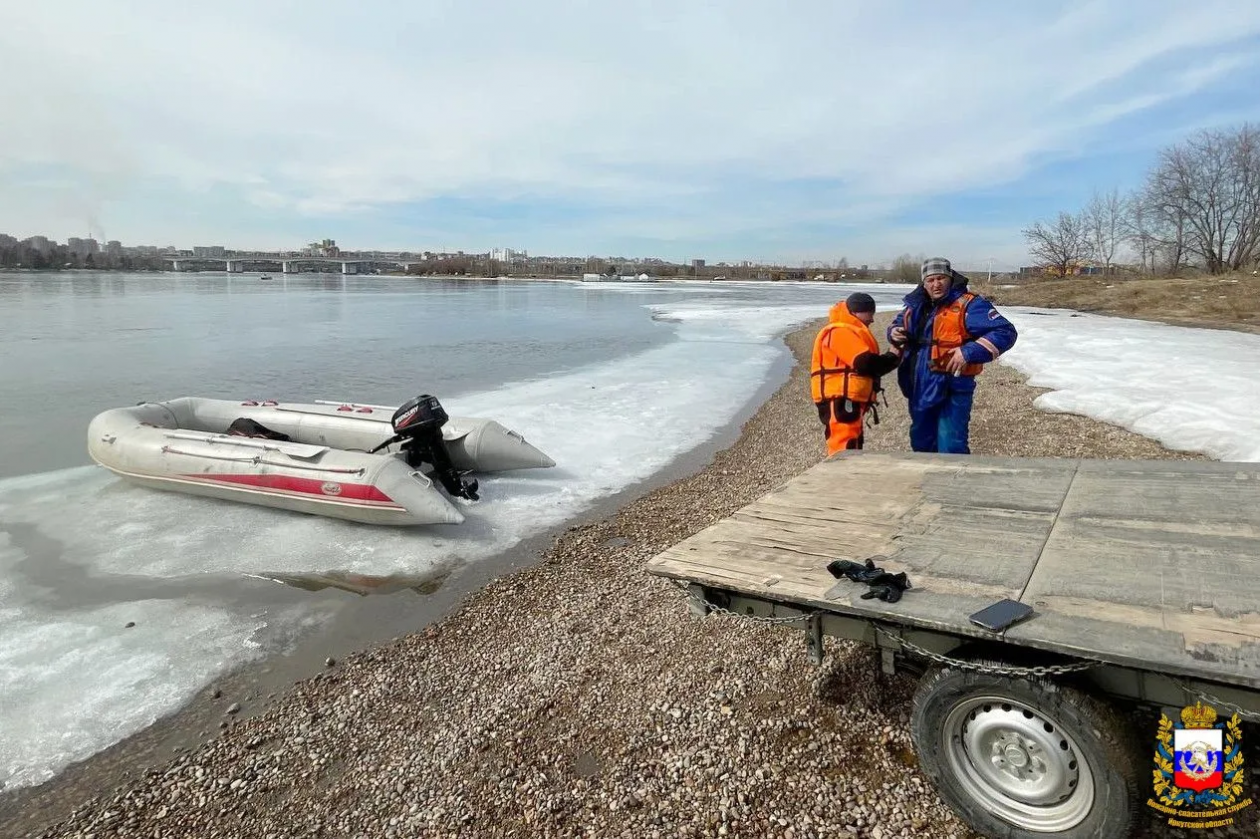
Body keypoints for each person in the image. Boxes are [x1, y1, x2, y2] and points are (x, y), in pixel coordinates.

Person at [887, 257, 1017, 454]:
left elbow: (1005, 332)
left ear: (950, 278)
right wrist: (894, 332)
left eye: (941, 278)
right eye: (930, 280)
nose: (936, 284)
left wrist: (968, 352)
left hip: (952, 385)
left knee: (951, 445)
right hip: (919, 385)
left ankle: (954, 484)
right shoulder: (915, 305)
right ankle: (927, 483)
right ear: (924, 283)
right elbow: (896, 324)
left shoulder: (970, 305)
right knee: (921, 443)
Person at [810, 292, 902, 455]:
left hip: (845, 397)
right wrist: (892, 356)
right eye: (870, 314)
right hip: (840, 397)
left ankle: (844, 476)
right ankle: (840, 477)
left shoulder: (846, 330)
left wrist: (892, 357)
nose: (872, 319)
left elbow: (867, 364)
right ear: (856, 311)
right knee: (845, 443)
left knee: (852, 441)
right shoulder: (839, 331)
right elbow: (864, 363)